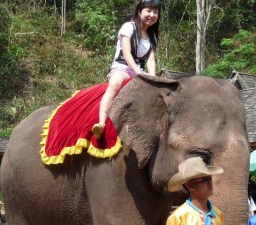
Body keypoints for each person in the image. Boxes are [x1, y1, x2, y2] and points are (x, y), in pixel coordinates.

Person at [92, 0, 161, 140]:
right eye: (148, 10)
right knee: (115, 84)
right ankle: (101, 123)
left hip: (140, 71)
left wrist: (153, 78)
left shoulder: (152, 35)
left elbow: (151, 59)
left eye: (155, 12)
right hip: (122, 68)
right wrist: (139, 73)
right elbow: (127, 53)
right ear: (139, 11)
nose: (152, 15)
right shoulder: (128, 27)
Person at [166, 157, 225, 225]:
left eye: (209, 178)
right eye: (204, 180)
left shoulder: (218, 214)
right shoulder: (178, 217)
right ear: (190, 186)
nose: (210, 183)